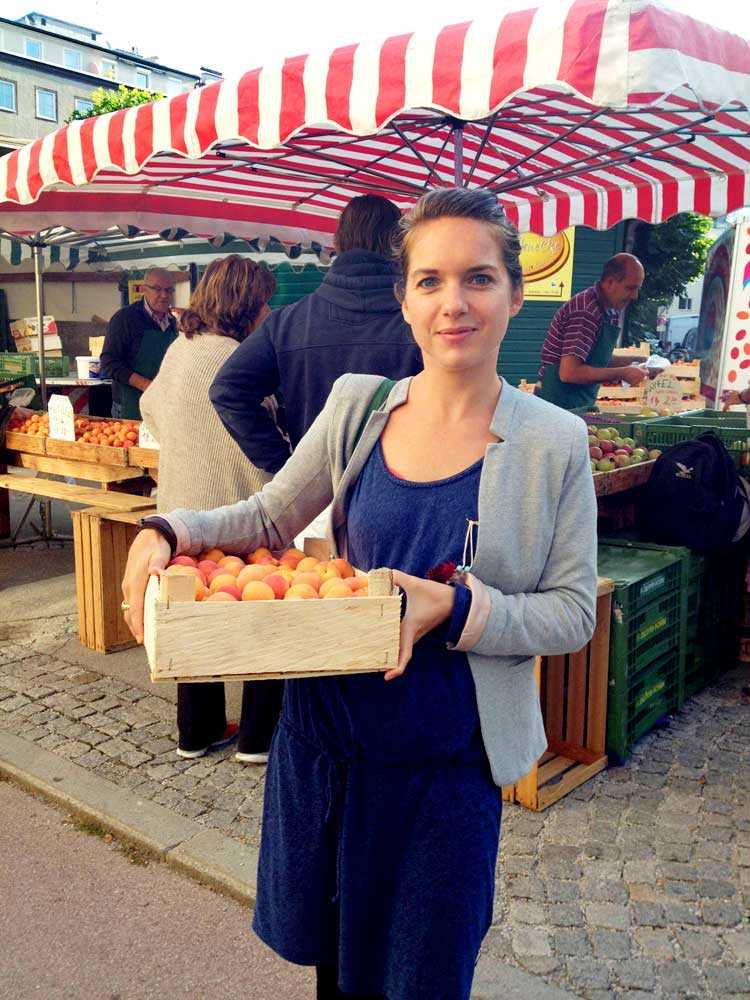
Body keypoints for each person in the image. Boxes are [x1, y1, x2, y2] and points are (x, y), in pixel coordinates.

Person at [121, 187, 597, 1000]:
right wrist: (170, 529)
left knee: (424, 976)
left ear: (514, 296)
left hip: (446, 773)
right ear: (404, 299)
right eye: (431, 281)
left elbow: (573, 611)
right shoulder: (359, 406)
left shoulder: (554, 441)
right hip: (327, 751)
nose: (454, 303)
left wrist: (458, 607)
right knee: (337, 976)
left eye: (479, 279)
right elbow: (269, 513)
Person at [140, 256, 282, 764]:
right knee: (262, 611)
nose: (268, 313)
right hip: (233, 506)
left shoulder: (183, 346)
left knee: (195, 616)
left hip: (180, 507)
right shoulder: (236, 357)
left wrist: (185, 443)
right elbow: (260, 433)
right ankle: (259, 737)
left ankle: (195, 732)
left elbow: (149, 405)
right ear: (245, 306)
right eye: (264, 303)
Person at [209, 194, 423, 475]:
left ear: (338, 243)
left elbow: (227, 390)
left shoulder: (287, 322)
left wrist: (287, 468)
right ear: (399, 246)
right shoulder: (423, 324)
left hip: (318, 503)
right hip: (406, 494)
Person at [537, 252, 647, 410]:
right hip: (557, 404)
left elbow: (595, 360)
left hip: (576, 404)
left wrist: (637, 360)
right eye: (630, 288)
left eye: (638, 289)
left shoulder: (609, 310)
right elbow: (569, 373)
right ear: (610, 282)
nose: (635, 296)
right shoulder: (587, 311)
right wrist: (623, 373)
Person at [101, 268, 178, 419]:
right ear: (143, 289)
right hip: (129, 405)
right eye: (157, 289)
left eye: (169, 290)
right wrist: (146, 385)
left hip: (161, 404)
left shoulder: (173, 323)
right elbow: (109, 362)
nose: (164, 295)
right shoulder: (125, 318)